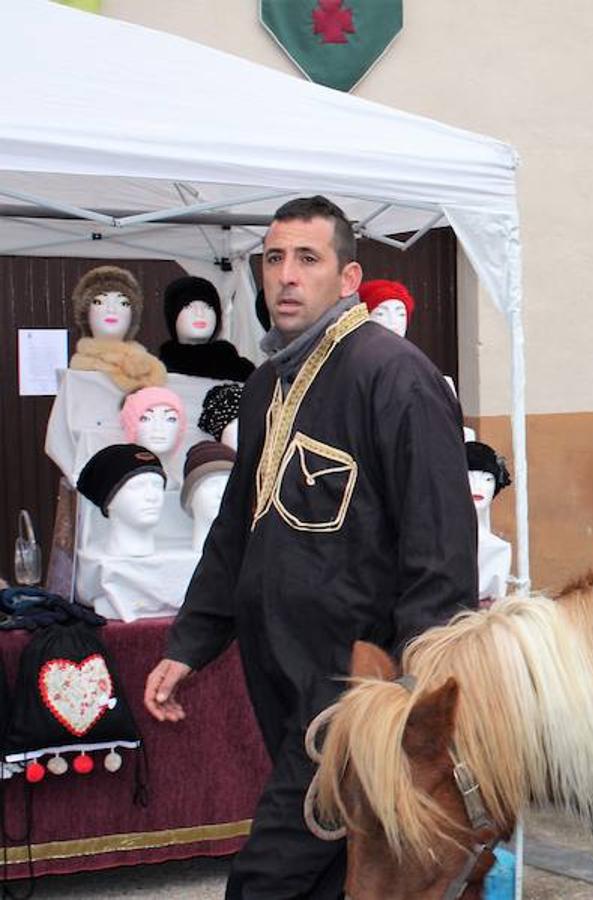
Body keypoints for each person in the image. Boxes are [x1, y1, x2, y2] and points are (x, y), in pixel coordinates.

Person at [143, 196, 478, 899]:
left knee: (267, 880)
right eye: (273, 259)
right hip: (281, 673)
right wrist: (187, 645)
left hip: (353, 689)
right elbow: (236, 530)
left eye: (307, 258)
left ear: (349, 276)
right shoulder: (268, 382)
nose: (285, 276)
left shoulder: (395, 376)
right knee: (329, 872)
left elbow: (440, 547)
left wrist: (414, 688)